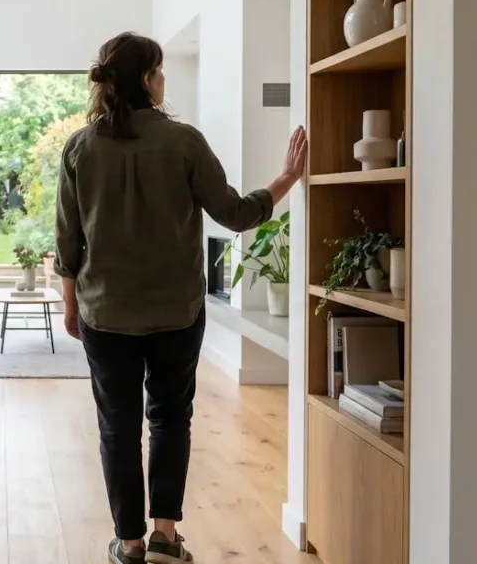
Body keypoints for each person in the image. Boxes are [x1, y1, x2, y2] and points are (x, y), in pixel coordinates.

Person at [53, 32, 307, 564]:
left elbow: (68, 240)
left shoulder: (79, 147)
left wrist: (70, 302)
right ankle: (166, 536)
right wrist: (285, 179)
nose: (164, 78)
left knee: (116, 426)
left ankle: (128, 544)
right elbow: (235, 215)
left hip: (106, 312)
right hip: (177, 313)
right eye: (161, 70)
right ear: (147, 79)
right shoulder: (185, 141)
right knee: (170, 417)